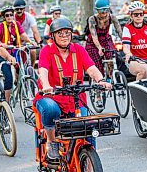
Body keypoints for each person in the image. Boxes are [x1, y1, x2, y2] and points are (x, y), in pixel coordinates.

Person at [34, 18, 112, 160]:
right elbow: (43, 70)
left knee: (87, 126)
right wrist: (45, 85)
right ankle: (52, 142)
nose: (64, 36)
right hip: (50, 96)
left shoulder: (79, 50)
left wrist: (101, 80)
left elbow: (91, 68)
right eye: (60, 33)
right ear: (53, 36)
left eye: (67, 33)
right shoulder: (47, 51)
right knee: (51, 110)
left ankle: (89, 169)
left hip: (75, 99)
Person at [0, 5, 33, 102]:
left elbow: (23, 35)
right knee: (8, 78)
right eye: (7, 15)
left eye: (11, 15)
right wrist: (2, 44)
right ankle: (7, 103)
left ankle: (20, 83)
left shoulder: (17, 24)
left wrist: (31, 42)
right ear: (4, 17)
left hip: (16, 52)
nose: (10, 17)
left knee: (22, 69)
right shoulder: (0, 26)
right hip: (4, 54)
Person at [85, 0, 123, 76]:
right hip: (93, 42)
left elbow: (119, 31)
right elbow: (94, 36)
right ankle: (100, 80)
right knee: (97, 64)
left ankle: (110, 78)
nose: (104, 11)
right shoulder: (92, 19)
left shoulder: (112, 17)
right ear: (97, 10)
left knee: (111, 59)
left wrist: (125, 42)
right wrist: (99, 48)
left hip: (106, 39)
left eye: (106, 9)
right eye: (102, 10)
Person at [13, 0, 42, 67]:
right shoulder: (12, 17)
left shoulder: (29, 17)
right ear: (14, 9)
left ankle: (31, 67)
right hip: (16, 38)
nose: (19, 11)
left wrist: (39, 42)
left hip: (29, 38)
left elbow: (35, 32)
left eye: (21, 9)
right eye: (17, 9)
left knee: (33, 51)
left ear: (24, 9)